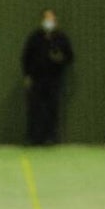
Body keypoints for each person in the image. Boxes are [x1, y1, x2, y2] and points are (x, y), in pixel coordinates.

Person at [21, 9, 74, 146]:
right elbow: (26, 57)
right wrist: (27, 76)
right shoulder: (35, 37)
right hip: (37, 79)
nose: (48, 21)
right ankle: (33, 138)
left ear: (55, 21)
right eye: (46, 18)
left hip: (54, 80)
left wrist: (60, 58)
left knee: (52, 109)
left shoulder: (61, 38)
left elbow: (69, 57)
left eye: (51, 19)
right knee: (35, 109)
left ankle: (51, 138)